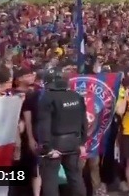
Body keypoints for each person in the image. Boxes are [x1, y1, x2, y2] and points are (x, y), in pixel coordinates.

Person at [37, 67, 87, 196]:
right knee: (75, 177)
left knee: (50, 179)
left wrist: (47, 147)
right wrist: (82, 143)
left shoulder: (47, 97)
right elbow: (84, 121)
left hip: (55, 143)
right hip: (74, 142)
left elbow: (44, 123)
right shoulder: (76, 96)